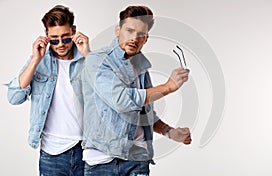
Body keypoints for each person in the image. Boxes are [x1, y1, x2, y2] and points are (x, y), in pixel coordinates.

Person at [82, 5, 191, 176]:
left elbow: (144, 114)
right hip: (101, 162)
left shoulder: (141, 68)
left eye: (140, 34)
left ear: (146, 38)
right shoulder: (97, 60)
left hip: (137, 159)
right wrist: (168, 87)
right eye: (129, 31)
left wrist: (170, 132)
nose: (134, 38)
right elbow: (122, 101)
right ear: (118, 30)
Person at [6, 5, 90, 176]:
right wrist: (35, 60)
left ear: (74, 31)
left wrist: (88, 55)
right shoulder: (39, 62)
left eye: (66, 38)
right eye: (54, 39)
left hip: (87, 150)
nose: (60, 44)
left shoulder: (87, 60)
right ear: (46, 36)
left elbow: (108, 94)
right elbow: (14, 97)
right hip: (52, 154)